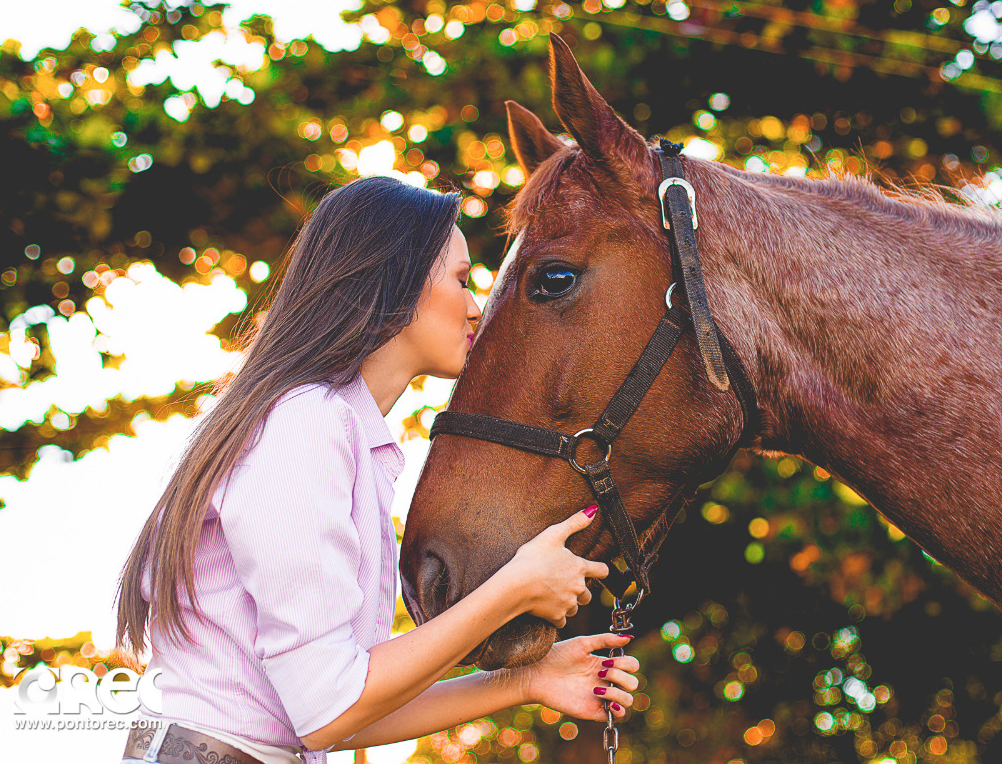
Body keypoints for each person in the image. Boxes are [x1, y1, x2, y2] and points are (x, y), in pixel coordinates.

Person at [113, 176, 639, 764]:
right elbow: (327, 710)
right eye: (462, 280)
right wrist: (515, 587)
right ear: (398, 277)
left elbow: (338, 715)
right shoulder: (305, 421)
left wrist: (527, 682)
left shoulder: (343, 435)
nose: (475, 306)